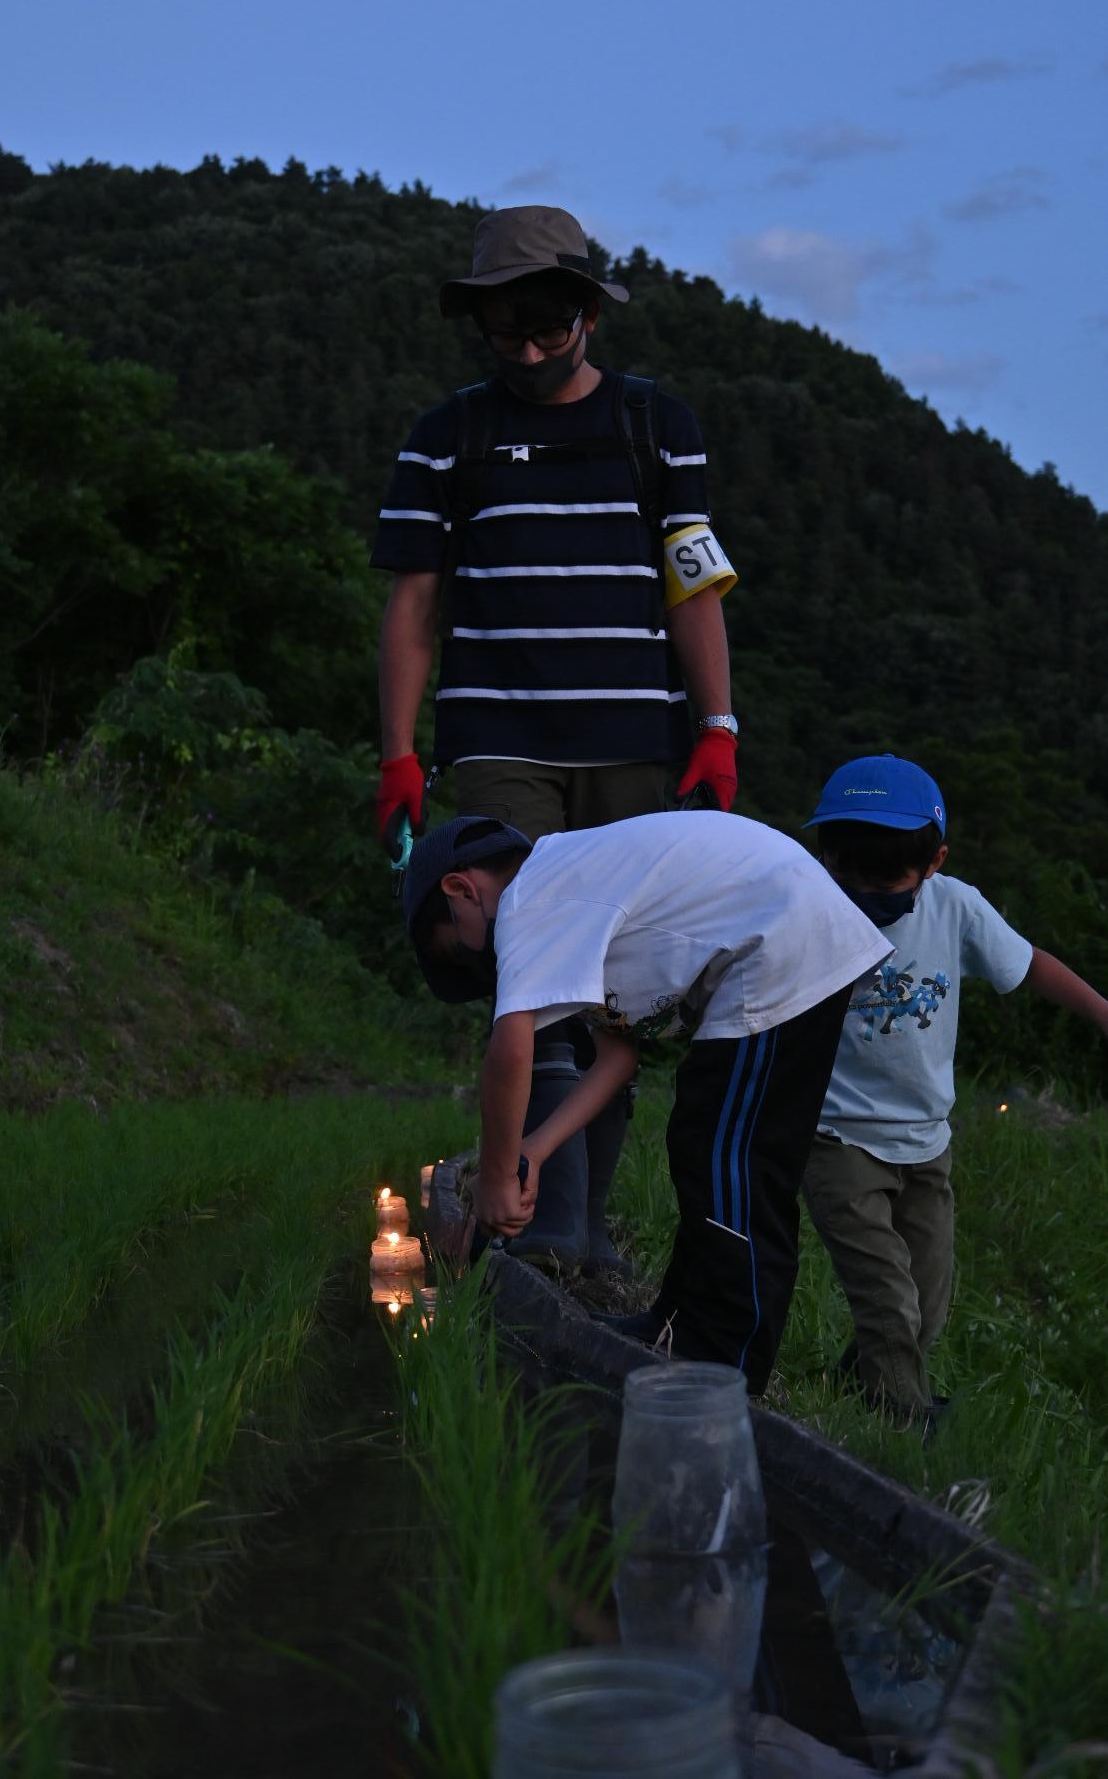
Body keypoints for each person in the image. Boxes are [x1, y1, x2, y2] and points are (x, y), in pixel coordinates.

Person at [371, 204, 739, 1274]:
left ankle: (579, 1218)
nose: (528, 353)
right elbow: (412, 607)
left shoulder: (655, 424)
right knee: (531, 972)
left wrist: (715, 728)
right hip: (498, 743)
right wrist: (398, 751)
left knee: (621, 986)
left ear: (588, 312)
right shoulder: (449, 434)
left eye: (549, 330)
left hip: (633, 741)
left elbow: (694, 587)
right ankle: (550, 1234)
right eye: (505, 334)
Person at [400, 811, 890, 1394]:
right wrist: (534, 1148)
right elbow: (617, 1059)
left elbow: (509, 1052)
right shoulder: (572, 906)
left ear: (461, 889)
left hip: (783, 945)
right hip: (781, 941)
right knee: (703, 1144)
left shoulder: (530, 898)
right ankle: (677, 1327)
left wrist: (498, 1179)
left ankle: (728, 1369)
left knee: (736, 1164)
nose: (476, 963)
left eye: (457, 949)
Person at [802, 754, 1108, 1423]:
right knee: (887, 1299)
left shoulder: (954, 907)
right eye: (852, 874)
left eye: (891, 880)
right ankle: (906, 1427)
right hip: (836, 1137)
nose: (871, 892)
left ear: (935, 860)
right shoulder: (813, 906)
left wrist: (1099, 1012)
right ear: (826, 858)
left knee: (925, 1306)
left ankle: (854, 1388)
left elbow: (1027, 966)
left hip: (924, 1142)